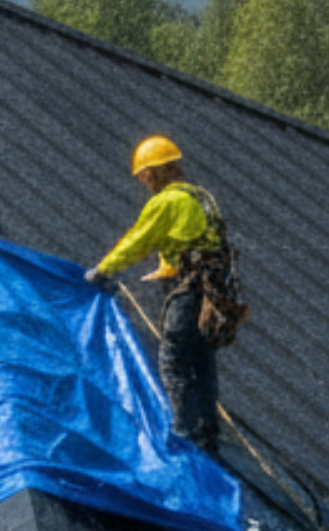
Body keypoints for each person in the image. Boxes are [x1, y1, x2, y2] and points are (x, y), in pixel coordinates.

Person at [87, 135, 246, 453]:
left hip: (192, 292)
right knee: (201, 359)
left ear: (155, 171)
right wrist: (164, 270)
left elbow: (139, 240)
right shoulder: (200, 197)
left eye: (144, 174)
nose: (143, 182)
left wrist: (103, 271)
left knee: (174, 358)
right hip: (215, 292)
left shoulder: (167, 201)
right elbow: (190, 243)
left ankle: (184, 431)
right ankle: (207, 432)